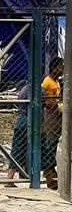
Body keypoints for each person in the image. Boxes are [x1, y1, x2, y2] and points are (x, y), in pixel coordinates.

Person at [41, 57, 63, 190]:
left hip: (57, 113)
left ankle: (51, 169)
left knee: (55, 140)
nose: (62, 70)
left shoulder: (57, 82)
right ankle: (48, 169)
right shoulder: (47, 81)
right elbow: (42, 96)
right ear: (54, 68)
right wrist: (48, 105)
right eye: (60, 67)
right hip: (50, 113)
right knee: (50, 140)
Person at [4, 82, 29, 188]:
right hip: (29, 119)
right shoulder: (37, 90)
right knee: (44, 147)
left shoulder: (25, 89)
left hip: (22, 118)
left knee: (18, 148)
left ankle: (11, 177)